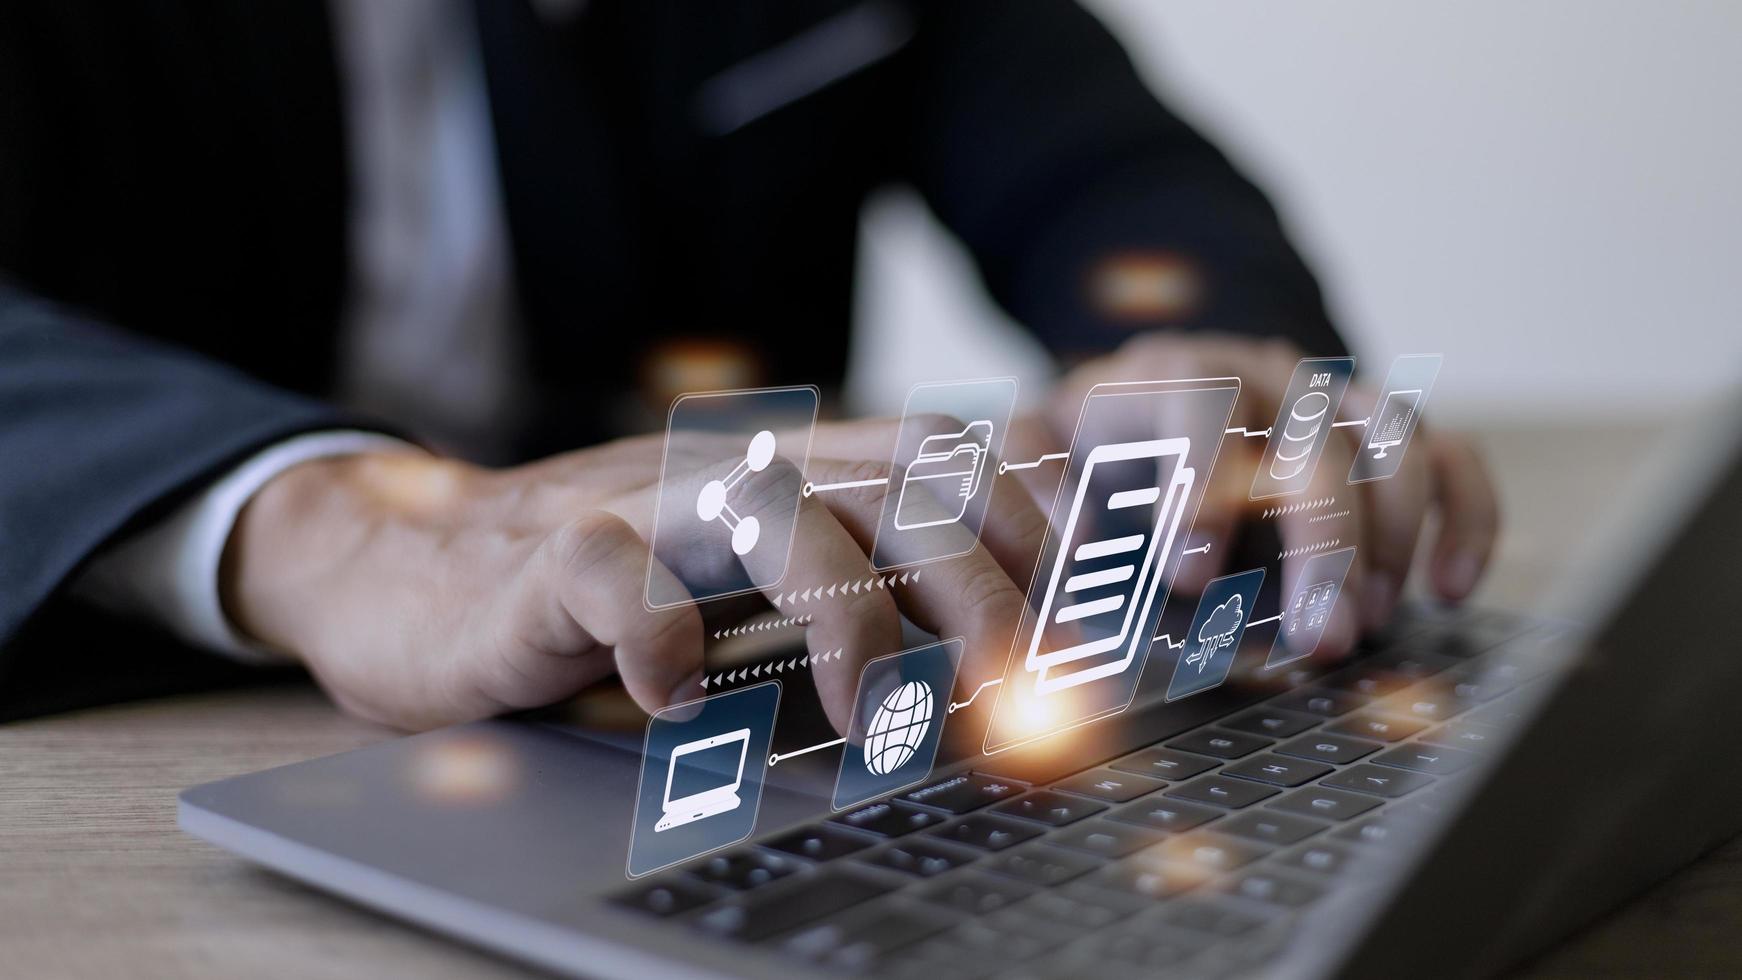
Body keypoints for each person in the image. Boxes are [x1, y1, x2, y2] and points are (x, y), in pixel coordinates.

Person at [0, 0, 1497, 731]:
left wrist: (1187, 358)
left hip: (757, 701)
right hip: (168, 716)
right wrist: (333, 527)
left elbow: (1110, 186)